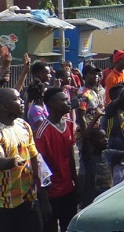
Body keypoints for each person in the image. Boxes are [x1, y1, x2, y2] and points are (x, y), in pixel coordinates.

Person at [35, 87, 78, 232]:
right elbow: (40, 166)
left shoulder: (69, 124)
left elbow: (71, 156)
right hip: (52, 193)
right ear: (53, 104)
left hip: (68, 189)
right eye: (64, 100)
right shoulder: (42, 132)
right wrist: (45, 200)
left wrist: (76, 183)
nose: (68, 102)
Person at [0, 88, 43, 232]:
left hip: (28, 199)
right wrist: (10, 162)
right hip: (5, 204)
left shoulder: (24, 125)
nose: (22, 101)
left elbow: (34, 155)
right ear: (4, 106)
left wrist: (40, 189)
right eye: (17, 99)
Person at [78, 126, 124, 209]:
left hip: (106, 197)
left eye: (105, 137)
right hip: (92, 201)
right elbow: (85, 137)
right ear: (92, 142)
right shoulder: (89, 156)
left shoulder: (109, 154)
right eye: (101, 138)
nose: (106, 140)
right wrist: (96, 116)